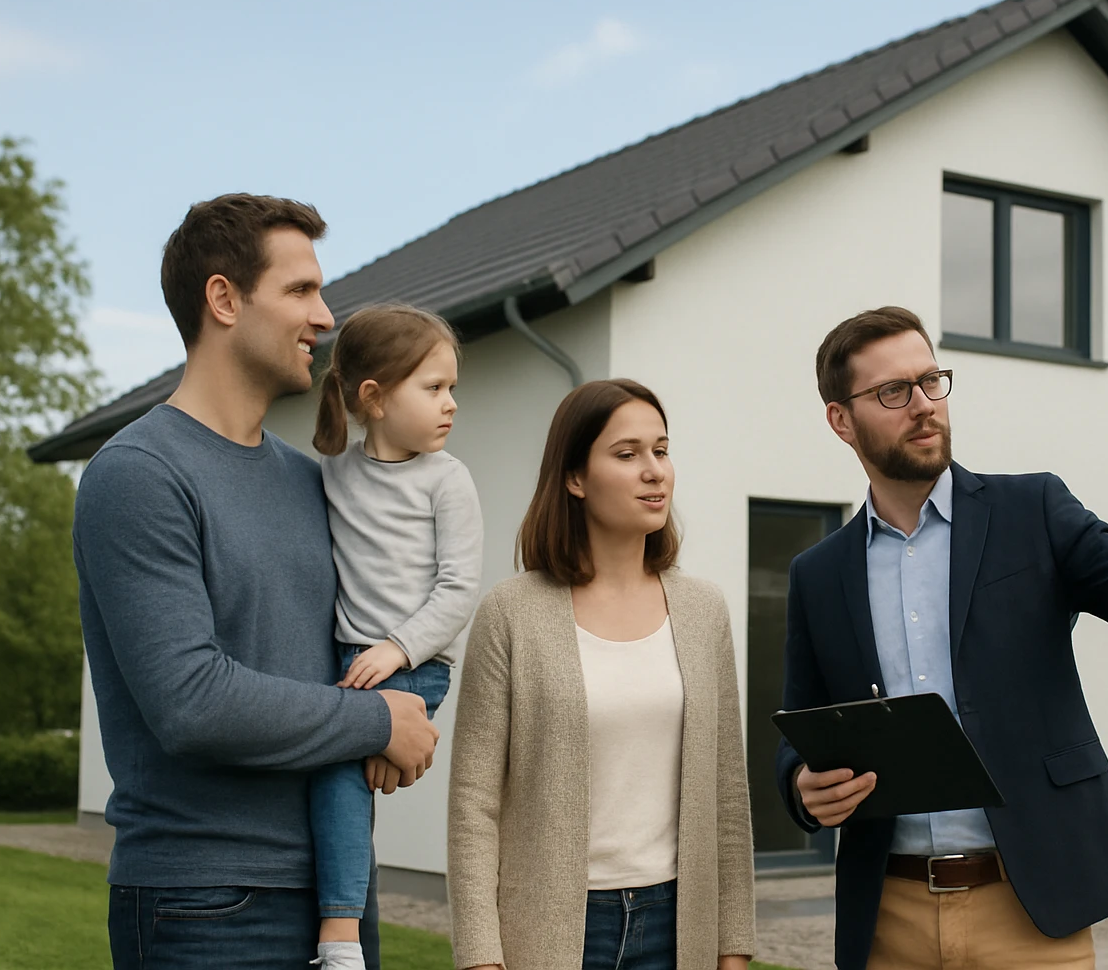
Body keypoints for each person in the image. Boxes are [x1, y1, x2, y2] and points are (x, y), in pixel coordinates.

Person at [773, 306, 1108, 970]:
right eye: (894, 392)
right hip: (887, 917)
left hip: (1030, 908)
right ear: (841, 419)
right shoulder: (819, 572)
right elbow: (801, 722)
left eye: (932, 381)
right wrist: (801, 783)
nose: (923, 405)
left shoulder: (1032, 510)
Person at [72, 194, 439, 970]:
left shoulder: (315, 484)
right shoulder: (139, 475)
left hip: (334, 894)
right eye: (301, 291)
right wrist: (378, 724)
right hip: (202, 902)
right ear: (224, 299)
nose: (326, 316)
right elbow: (191, 702)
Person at [447, 379, 755, 970]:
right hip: (551, 927)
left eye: (661, 451)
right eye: (627, 454)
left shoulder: (702, 609)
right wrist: (481, 957)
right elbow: (473, 803)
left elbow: (727, 792)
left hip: (676, 925)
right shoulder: (512, 612)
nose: (654, 471)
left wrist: (733, 946)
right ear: (575, 478)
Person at [307, 303, 484, 969]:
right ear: (375, 399)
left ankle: (340, 938)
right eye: (434, 388)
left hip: (414, 665)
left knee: (338, 777)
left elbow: (459, 587)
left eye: (453, 389)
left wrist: (396, 650)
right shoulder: (331, 476)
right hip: (353, 664)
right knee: (339, 779)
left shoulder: (448, 481)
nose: (451, 405)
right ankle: (346, 932)